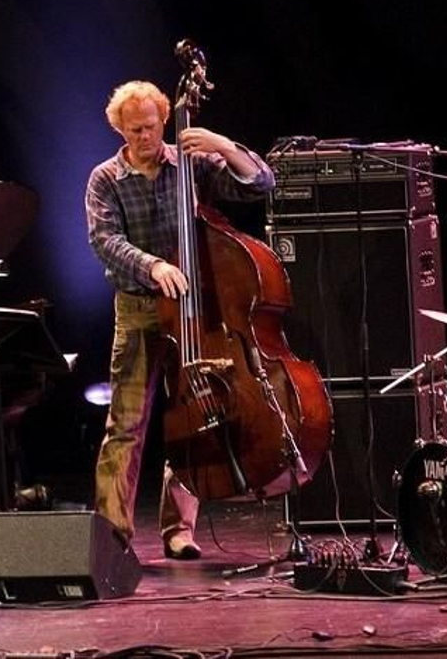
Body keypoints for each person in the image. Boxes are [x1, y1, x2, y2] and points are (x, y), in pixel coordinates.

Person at [85, 80, 276, 559]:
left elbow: (260, 184)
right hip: (139, 310)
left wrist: (221, 145)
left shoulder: (190, 162)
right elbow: (104, 240)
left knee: (191, 415)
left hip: (193, 310)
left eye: (150, 127)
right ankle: (112, 538)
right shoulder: (105, 178)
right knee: (125, 425)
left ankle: (179, 530)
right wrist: (153, 265)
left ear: (164, 120)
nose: (144, 137)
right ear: (119, 129)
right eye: (134, 131)